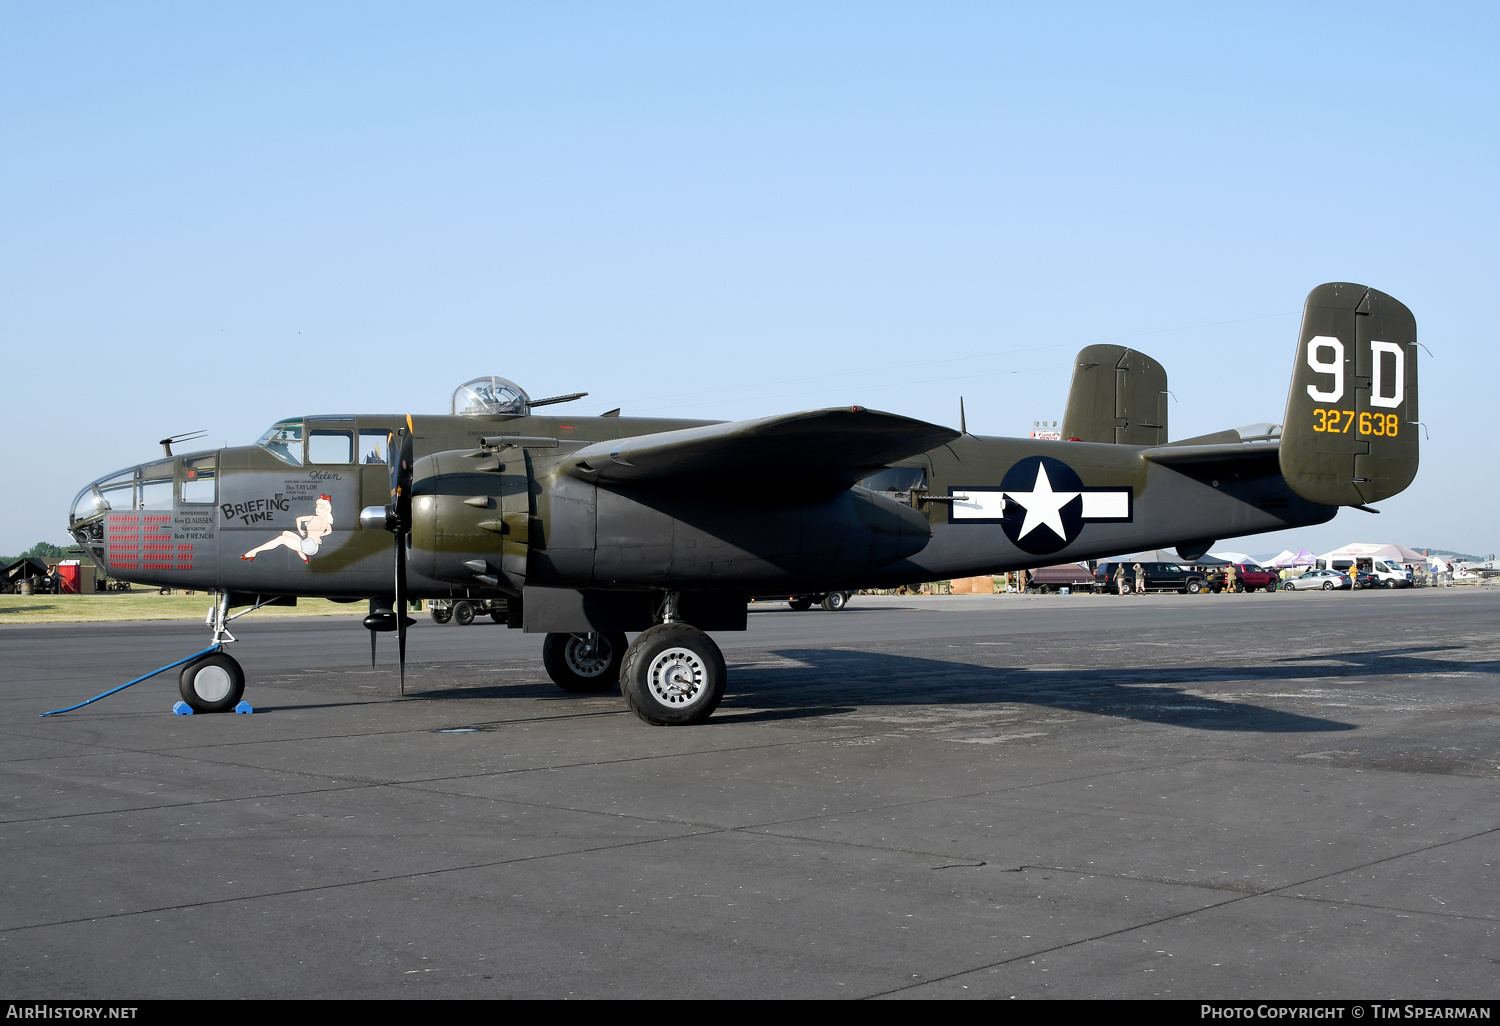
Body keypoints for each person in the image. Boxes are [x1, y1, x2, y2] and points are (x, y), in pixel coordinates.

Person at [241, 494, 335, 564]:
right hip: (313, 546)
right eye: (317, 507)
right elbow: (330, 531)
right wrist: (320, 536)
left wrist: (300, 530)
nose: (317, 509)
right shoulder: (327, 521)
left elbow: (298, 519)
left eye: (321, 508)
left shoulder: (313, 517)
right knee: (285, 533)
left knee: (281, 539)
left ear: (326, 510)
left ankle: (253, 552)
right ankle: (305, 557)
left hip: (308, 546)